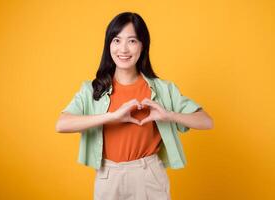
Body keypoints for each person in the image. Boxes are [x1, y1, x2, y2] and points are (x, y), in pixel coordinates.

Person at [56, 12, 213, 200]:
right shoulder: (92, 90)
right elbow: (62, 124)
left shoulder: (163, 89)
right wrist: (112, 116)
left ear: (142, 45)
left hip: (149, 175)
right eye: (116, 40)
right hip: (108, 175)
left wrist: (168, 115)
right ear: (109, 45)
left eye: (132, 41)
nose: (123, 49)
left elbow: (206, 121)